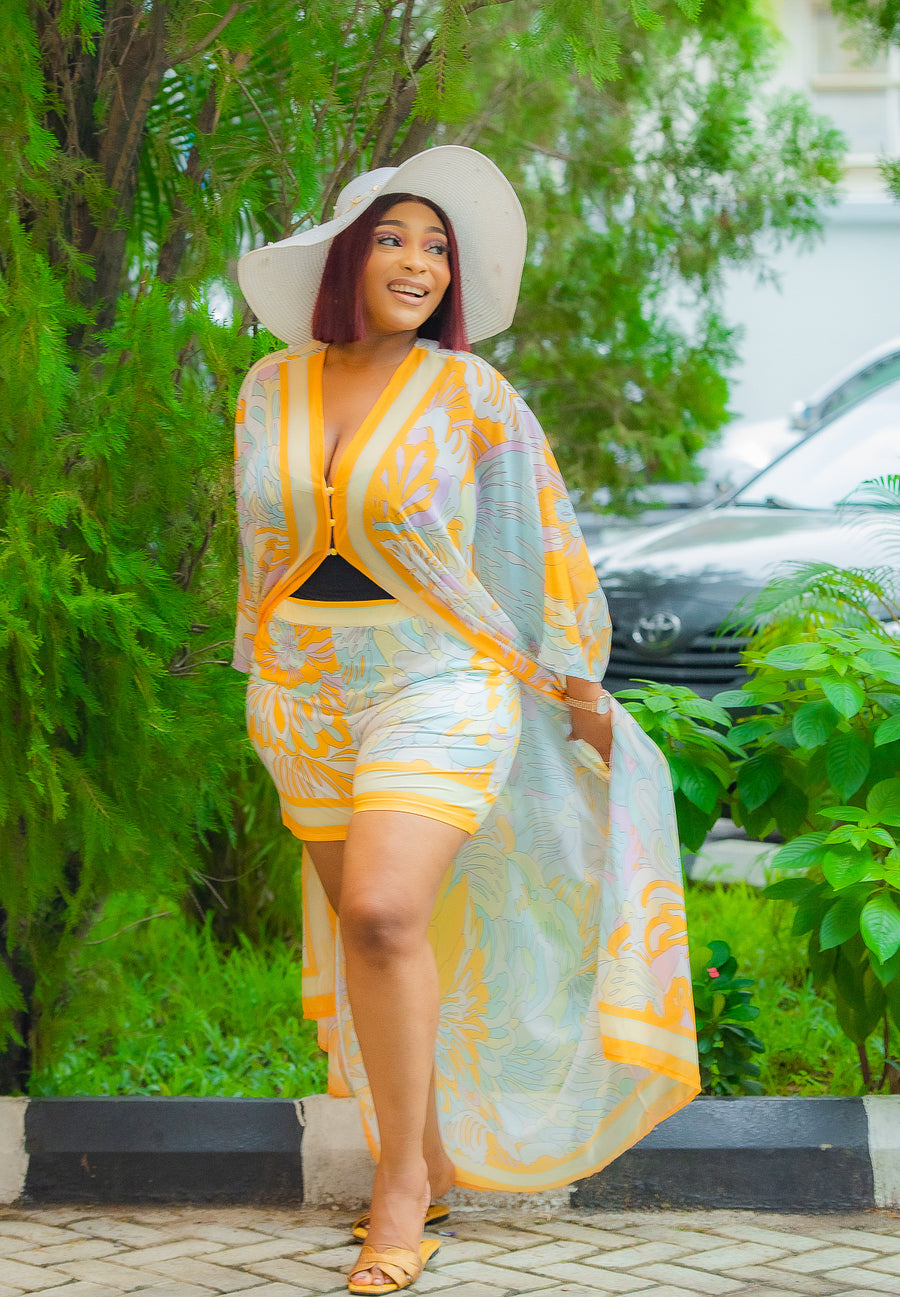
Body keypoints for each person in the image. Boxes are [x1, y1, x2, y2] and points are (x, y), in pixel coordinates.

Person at [233, 146, 699, 1295]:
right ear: (347, 258)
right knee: (369, 941)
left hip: (436, 679)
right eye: (394, 239)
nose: (419, 263)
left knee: (385, 912)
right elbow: (258, 551)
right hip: (302, 691)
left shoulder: (472, 394)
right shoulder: (267, 387)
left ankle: (400, 1189)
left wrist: (577, 685)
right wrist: (258, 670)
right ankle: (429, 1154)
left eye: (437, 248)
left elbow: (539, 540)